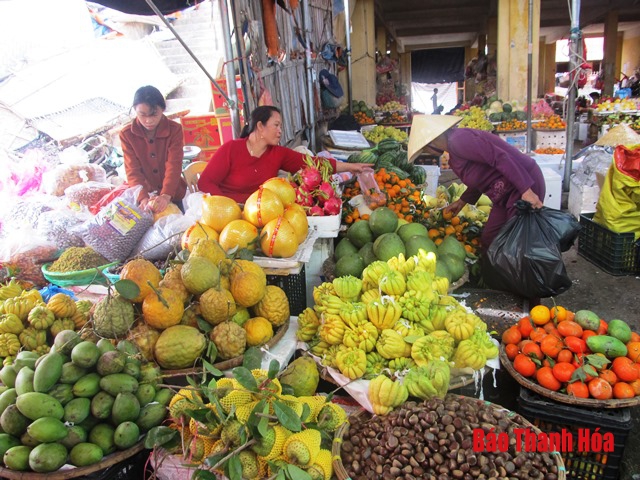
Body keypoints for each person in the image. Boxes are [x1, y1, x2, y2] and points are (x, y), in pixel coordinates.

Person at [408, 114, 545, 251]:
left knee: (515, 245)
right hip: (504, 194)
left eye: (424, 149)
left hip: (522, 183)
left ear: (431, 141)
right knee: (490, 239)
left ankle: (523, 272)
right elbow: (481, 177)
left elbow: (500, 157)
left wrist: (526, 191)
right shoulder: (453, 153)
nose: (427, 152)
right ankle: (493, 272)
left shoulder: (459, 141)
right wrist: (461, 202)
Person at [198, 106, 370, 202]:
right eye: (276, 125)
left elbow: (313, 163)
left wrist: (350, 167)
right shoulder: (231, 149)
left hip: (260, 213)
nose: (280, 131)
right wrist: (226, 205)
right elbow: (205, 182)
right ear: (260, 127)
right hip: (227, 214)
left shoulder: (278, 154)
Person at [119, 85, 187, 213]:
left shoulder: (174, 130)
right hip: (146, 195)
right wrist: (143, 197)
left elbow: (174, 164)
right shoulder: (127, 134)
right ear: (135, 110)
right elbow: (132, 170)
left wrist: (166, 195)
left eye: (154, 115)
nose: (148, 120)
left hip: (173, 192)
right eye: (142, 115)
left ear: (162, 109)